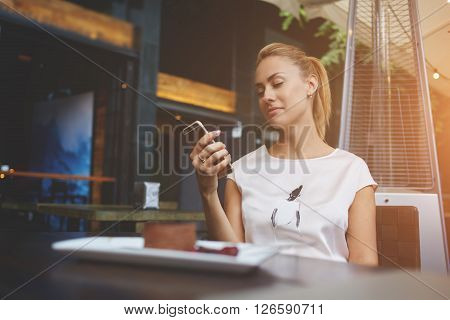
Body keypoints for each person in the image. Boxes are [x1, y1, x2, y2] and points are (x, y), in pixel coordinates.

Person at [190, 43, 378, 266]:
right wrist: (208, 192)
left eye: (277, 83)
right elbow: (234, 258)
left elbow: (364, 263)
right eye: (260, 91)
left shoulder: (352, 170)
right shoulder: (241, 171)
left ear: (310, 85)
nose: (267, 96)